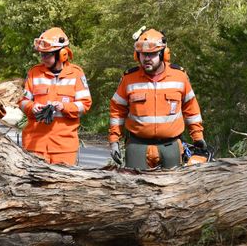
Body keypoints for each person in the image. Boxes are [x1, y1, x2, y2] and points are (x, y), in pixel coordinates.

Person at [109, 27, 206, 170]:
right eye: (143, 54)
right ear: (137, 55)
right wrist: (114, 141)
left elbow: (191, 110)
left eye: (152, 54)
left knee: (172, 189)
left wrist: (198, 137)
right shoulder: (129, 79)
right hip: (137, 146)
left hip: (171, 147)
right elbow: (117, 111)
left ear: (163, 54)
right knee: (136, 189)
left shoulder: (179, 77)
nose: (147, 59)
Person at [19, 27, 92, 165]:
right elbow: (22, 100)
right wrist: (31, 107)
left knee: (62, 186)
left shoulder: (76, 74)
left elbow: (85, 104)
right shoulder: (34, 73)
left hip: (64, 147)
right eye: (41, 54)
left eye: (47, 55)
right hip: (35, 145)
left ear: (62, 54)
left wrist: (64, 107)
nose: (43, 58)